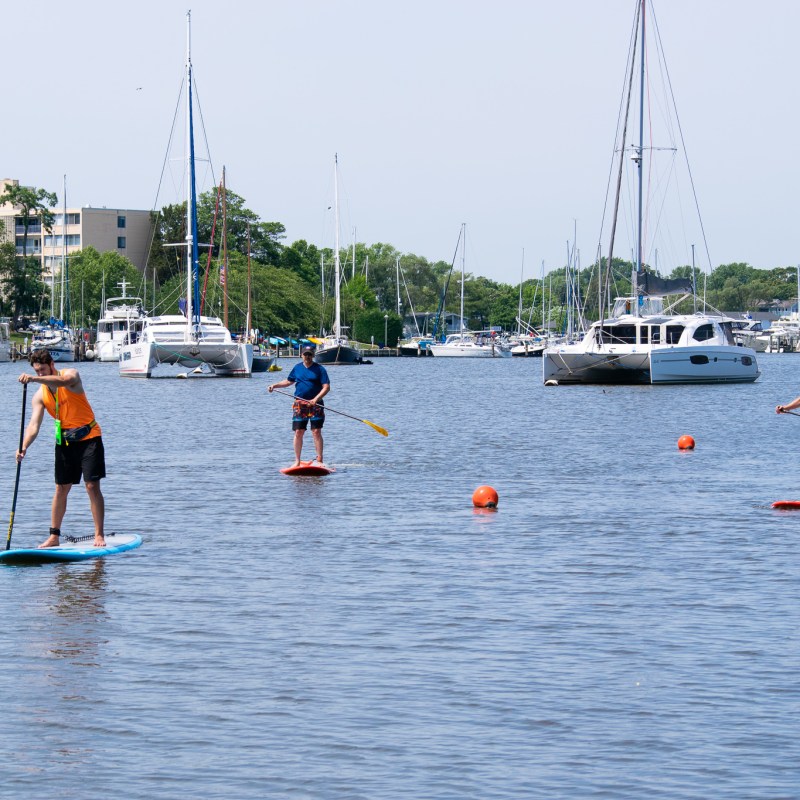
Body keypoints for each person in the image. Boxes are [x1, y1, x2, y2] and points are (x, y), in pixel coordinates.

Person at [16, 349, 106, 548]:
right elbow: (33, 426)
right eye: (37, 371)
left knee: (91, 486)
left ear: (52, 365)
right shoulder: (40, 396)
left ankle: (99, 534)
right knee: (60, 489)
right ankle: (54, 536)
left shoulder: (71, 375)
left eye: (43, 370)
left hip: (89, 437)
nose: (40, 375)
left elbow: (64, 382)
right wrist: (23, 446)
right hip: (65, 441)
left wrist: (33, 378)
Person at [269, 345, 330, 466]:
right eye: (305, 354)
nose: (307, 356)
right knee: (298, 432)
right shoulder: (297, 368)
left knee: (316, 431)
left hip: (316, 404)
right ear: (301, 355)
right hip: (299, 404)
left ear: (313, 355)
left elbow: (326, 387)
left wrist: (316, 399)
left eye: (310, 354)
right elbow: (288, 381)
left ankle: (319, 460)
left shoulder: (320, 369)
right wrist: (274, 385)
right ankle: (297, 461)